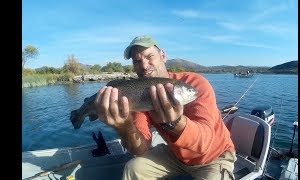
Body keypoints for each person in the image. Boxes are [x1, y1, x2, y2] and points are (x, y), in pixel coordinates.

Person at [94, 35, 236, 179]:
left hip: (214, 158)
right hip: (176, 156)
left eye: (150, 56)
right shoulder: (140, 96)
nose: (144, 65)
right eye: (137, 61)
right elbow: (141, 149)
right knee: (133, 168)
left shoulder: (195, 83)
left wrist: (175, 123)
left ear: (163, 55)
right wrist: (124, 127)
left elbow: (204, 145)